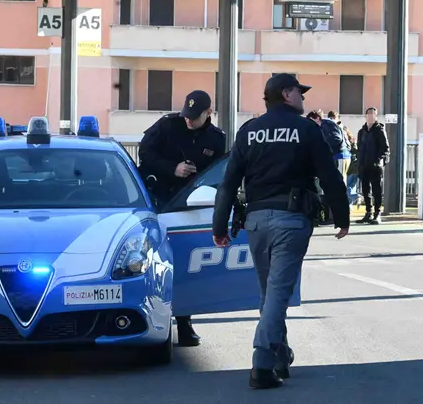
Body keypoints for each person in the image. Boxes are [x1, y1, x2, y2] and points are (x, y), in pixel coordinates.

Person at [211, 73, 349, 390]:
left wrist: (219, 226)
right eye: (299, 92)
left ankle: (279, 356)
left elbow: (228, 182)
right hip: (291, 220)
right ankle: (261, 364)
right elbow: (329, 176)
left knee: (269, 293)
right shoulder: (306, 130)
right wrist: (342, 216)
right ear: (286, 94)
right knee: (277, 293)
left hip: (256, 221)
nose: (303, 98)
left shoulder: (249, 131)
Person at [137, 89, 226, 347]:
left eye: (194, 117)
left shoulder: (216, 139)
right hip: (157, 201)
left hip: (190, 206)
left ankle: (185, 322)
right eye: (186, 115)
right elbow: (145, 154)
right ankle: (152, 322)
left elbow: (218, 174)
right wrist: (172, 168)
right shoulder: (167, 125)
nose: (188, 120)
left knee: (184, 265)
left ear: (209, 113)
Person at [355, 107, 389, 224]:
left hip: (375, 165)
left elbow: (385, 148)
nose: (370, 116)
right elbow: (359, 148)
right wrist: (358, 162)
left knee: (376, 190)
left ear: (376, 116)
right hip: (363, 165)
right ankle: (368, 212)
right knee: (365, 190)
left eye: (373, 114)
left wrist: (380, 160)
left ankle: (377, 213)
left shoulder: (379, 130)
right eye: (368, 114)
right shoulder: (362, 131)